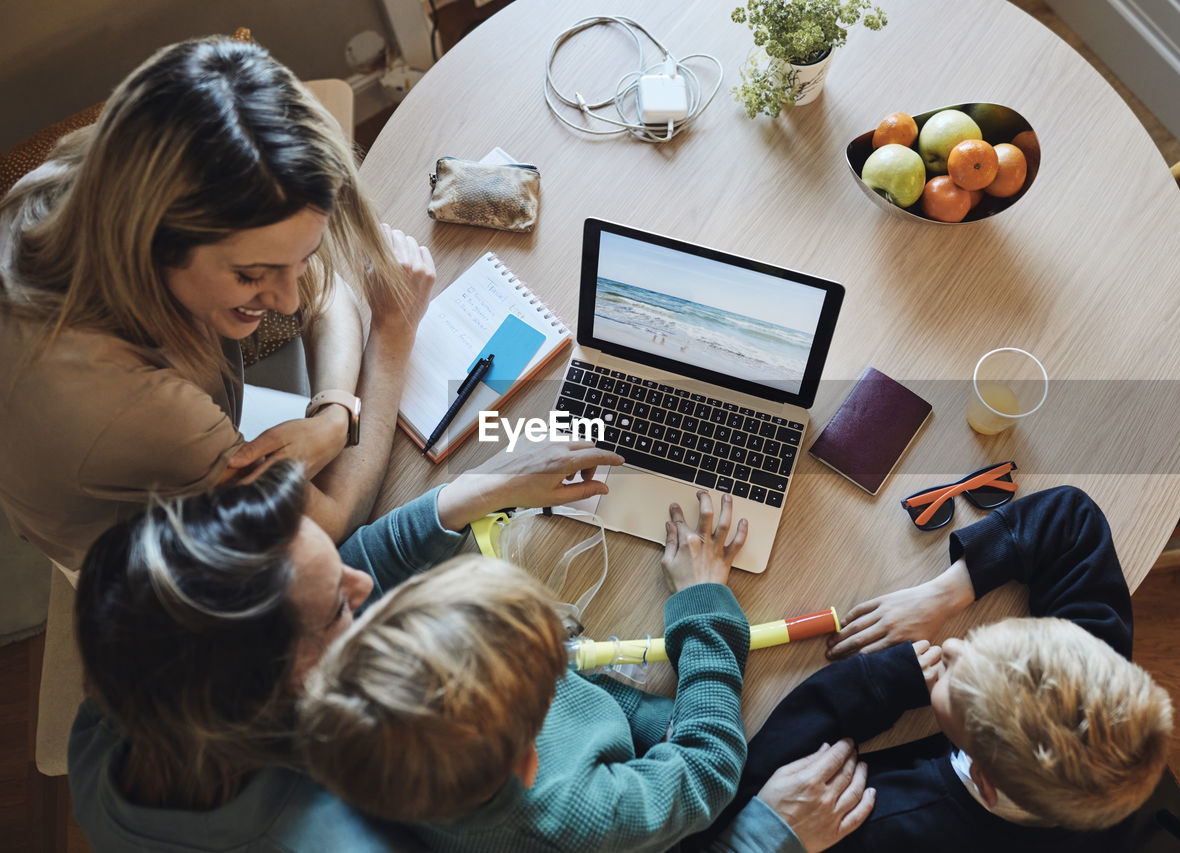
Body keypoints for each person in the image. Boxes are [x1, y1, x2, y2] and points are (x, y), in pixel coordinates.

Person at [0, 36, 432, 575]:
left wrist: (335, 412)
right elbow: (333, 520)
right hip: (136, 555)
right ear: (154, 244)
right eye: (251, 275)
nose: (287, 300)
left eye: (295, 261)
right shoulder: (138, 408)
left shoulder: (106, 177)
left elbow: (323, 291)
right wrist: (392, 337)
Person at [68, 443, 623, 851]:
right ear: (288, 685)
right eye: (340, 608)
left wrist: (474, 492)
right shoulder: (364, 823)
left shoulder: (128, 691)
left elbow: (317, 578)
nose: (362, 586)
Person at [297, 492, 880, 852]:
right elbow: (707, 772)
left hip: (635, 738)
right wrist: (703, 605)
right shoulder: (564, 817)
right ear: (529, 759)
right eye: (551, 670)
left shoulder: (363, 707)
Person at [691, 485, 1175, 852]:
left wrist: (880, 683)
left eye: (955, 689)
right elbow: (1071, 518)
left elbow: (734, 798)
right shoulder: (1089, 682)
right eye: (982, 640)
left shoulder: (888, 823)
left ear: (984, 778)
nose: (952, 649)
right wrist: (943, 594)